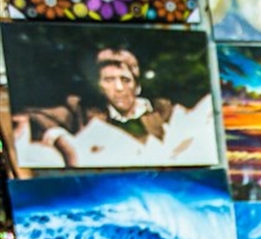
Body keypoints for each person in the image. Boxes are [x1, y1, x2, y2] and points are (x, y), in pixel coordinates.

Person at [22, 48, 173, 167]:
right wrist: (60, 139)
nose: (119, 88)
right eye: (109, 80)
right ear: (100, 87)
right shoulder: (82, 111)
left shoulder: (162, 111)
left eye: (125, 79)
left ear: (137, 86)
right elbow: (33, 117)